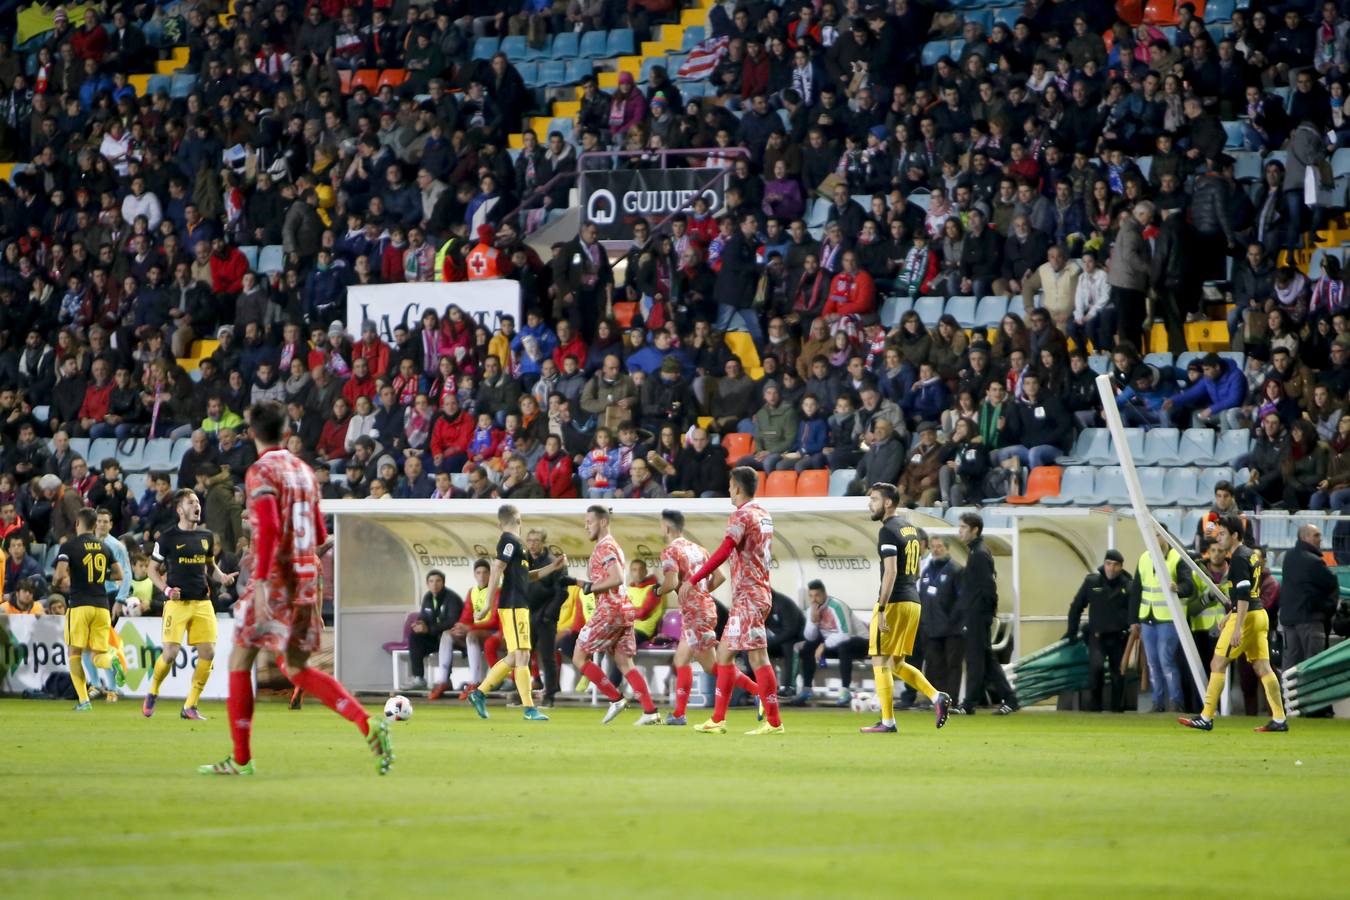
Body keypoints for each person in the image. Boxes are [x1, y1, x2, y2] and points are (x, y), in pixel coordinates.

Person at [200, 401, 394, 776]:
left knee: (239, 661)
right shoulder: (305, 471)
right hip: (308, 576)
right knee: (296, 667)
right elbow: (320, 534)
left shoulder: (261, 471)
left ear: (251, 433)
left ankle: (241, 760)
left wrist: (260, 582)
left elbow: (270, 528)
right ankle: (367, 723)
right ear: (287, 430)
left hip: (277, 579)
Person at [680, 466, 784, 735]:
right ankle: (719, 719)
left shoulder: (741, 514)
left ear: (737, 488)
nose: (728, 490)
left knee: (756, 658)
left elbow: (726, 549)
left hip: (749, 596)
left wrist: (694, 579)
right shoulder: (763, 514)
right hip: (756, 593)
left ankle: (772, 722)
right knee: (726, 655)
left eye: (729, 486)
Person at [1180, 515, 1289, 733]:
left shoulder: (1238, 558)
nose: (1218, 538)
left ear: (1235, 535)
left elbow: (1242, 595)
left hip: (1247, 617)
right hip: (1259, 616)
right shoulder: (1250, 556)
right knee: (1262, 666)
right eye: (1217, 533)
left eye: (1222, 534)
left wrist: (1237, 624)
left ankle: (1206, 716)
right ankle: (1279, 718)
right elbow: (1250, 593)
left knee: (1217, 664)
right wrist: (1230, 615)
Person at [859, 483, 950, 733]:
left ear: (888, 502)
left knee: (879, 659)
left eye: (874, 499)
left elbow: (890, 571)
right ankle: (936, 696)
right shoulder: (909, 528)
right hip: (913, 600)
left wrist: (881, 607)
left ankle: (887, 721)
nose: (870, 504)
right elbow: (917, 566)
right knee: (896, 663)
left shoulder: (887, 531)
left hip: (896, 601)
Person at [466, 505, 568, 721]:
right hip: (513, 605)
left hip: (520, 605)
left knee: (515, 656)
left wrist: (553, 567)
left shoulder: (518, 545)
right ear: (519, 520)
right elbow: (496, 568)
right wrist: (487, 604)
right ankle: (529, 709)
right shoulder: (508, 540)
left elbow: (526, 576)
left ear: (499, 522)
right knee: (523, 655)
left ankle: (478, 693)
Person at [655, 509, 756, 725]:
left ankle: (759, 692)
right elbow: (719, 577)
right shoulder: (698, 549)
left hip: (694, 613)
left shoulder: (670, 552)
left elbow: (671, 583)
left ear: (666, 527)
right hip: (704, 609)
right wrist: (700, 594)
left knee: (712, 667)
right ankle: (679, 714)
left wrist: (657, 591)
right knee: (681, 660)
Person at [143, 488, 236, 720]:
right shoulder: (166, 538)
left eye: (197, 502)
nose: (196, 506)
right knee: (171, 653)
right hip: (178, 604)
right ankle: (153, 690)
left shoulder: (206, 537)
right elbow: (151, 569)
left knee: (209, 651)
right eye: (190, 503)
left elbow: (209, 567)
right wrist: (166, 589)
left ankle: (190, 706)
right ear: (179, 509)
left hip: (203, 602)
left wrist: (221, 576)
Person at [565, 505, 662, 726]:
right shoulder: (612, 546)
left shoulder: (604, 547)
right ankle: (650, 711)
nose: (586, 526)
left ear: (603, 522)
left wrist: (591, 588)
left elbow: (617, 578)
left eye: (589, 521)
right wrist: (579, 583)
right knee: (625, 662)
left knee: (579, 656)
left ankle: (615, 698)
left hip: (610, 610)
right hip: (624, 609)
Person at [53, 508, 122, 711]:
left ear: (77, 523)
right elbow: (118, 574)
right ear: (94, 525)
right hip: (102, 607)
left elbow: (59, 574)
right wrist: (98, 577)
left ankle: (84, 702)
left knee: (74, 652)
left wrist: (58, 583)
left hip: (80, 605)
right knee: (97, 654)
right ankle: (112, 660)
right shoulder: (104, 547)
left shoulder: (69, 546)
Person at [957, 512, 1020, 715]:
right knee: (985, 658)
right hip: (976, 613)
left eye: (964, 527)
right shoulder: (976, 552)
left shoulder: (980, 554)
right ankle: (1009, 699)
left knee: (977, 658)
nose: (960, 531)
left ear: (975, 530)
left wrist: (986, 614)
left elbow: (988, 587)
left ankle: (969, 704)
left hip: (978, 615)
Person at [1129, 529, 1194, 713]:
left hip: (1168, 618)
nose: (1154, 539)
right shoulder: (1144, 558)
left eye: (1157, 535)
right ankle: (1158, 702)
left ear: (1165, 537)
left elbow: (1189, 587)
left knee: (1166, 661)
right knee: (1152, 662)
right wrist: (1134, 618)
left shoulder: (1177, 558)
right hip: (1148, 617)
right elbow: (1137, 590)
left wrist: (1178, 587)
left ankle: (1176, 701)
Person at [1064, 549, 1133, 713]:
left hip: (1119, 638)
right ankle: (1094, 708)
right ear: (1104, 564)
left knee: (1119, 673)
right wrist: (1071, 631)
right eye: (1108, 564)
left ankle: (1117, 710)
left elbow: (1135, 611)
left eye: (1116, 565)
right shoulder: (1092, 582)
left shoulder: (1128, 585)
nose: (1111, 568)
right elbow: (1076, 607)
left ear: (1121, 567)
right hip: (1097, 636)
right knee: (1096, 669)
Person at [793, 580, 869, 706]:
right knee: (808, 647)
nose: (814, 599)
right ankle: (806, 689)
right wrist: (813, 621)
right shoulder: (811, 609)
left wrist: (824, 645)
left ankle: (845, 691)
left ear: (824, 595)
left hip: (862, 641)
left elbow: (846, 633)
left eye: (817, 595)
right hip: (835, 644)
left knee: (845, 647)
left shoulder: (836, 606)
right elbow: (810, 637)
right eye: (811, 596)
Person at [1278, 523, 1338, 671]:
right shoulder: (1314, 561)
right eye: (1316, 535)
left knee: (1290, 667)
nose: (1320, 539)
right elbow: (1330, 584)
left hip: (1289, 621)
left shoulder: (1288, 557)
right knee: (1313, 667)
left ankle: (1287, 695)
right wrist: (1327, 609)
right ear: (1305, 537)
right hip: (1310, 621)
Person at [916, 536, 963, 699]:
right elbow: (922, 596)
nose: (936, 549)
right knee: (934, 665)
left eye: (940, 546)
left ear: (947, 549)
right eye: (933, 546)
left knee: (952, 666)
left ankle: (952, 701)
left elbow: (962, 600)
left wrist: (954, 621)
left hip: (951, 629)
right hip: (930, 627)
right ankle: (937, 701)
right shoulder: (927, 571)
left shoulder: (956, 570)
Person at [412, 570, 464, 697]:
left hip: (455, 639)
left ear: (443, 583)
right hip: (435, 637)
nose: (434, 584)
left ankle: (445, 680)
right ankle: (418, 678)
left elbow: (452, 621)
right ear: (427, 584)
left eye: (438, 581)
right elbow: (424, 615)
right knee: (415, 637)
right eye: (431, 581)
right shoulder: (428, 597)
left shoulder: (452, 598)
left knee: (445, 637)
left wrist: (429, 630)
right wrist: (420, 624)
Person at [450, 559, 500, 688]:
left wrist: (469, 627)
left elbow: (495, 622)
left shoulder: (497, 591)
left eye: (485, 572)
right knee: (447, 635)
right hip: (475, 630)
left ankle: (475, 681)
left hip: (493, 631)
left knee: (471, 635)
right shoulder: (472, 591)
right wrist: (459, 627)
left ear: (490, 575)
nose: (482, 576)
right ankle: (442, 680)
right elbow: (466, 616)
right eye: (478, 573)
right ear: (474, 575)